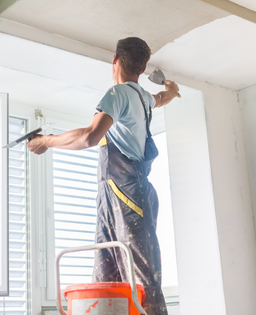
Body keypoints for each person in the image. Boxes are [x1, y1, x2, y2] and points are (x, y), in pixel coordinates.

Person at [27, 37, 179, 315]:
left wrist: (46, 141)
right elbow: (164, 98)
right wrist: (171, 86)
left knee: (142, 283)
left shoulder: (117, 94)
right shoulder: (144, 98)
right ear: (142, 70)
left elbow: (88, 137)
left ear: (115, 60)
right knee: (107, 277)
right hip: (117, 195)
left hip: (127, 196)